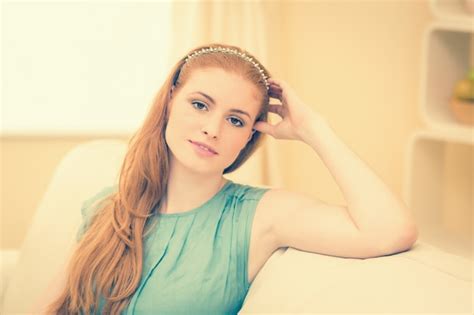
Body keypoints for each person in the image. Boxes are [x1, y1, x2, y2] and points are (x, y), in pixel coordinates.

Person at [42, 43, 418, 315]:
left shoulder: (260, 217)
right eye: (200, 104)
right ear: (170, 101)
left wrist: (314, 130)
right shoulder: (106, 208)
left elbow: (390, 230)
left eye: (236, 120)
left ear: (249, 136)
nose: (212, 129)